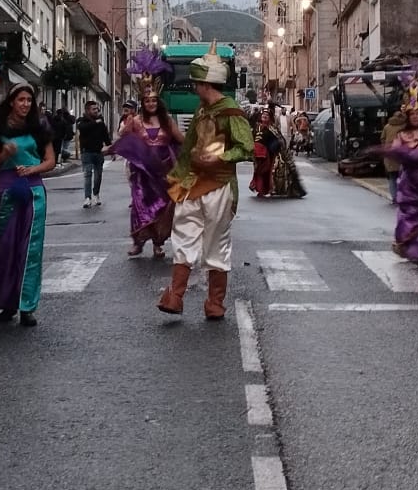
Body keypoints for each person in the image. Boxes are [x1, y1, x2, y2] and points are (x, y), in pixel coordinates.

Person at [158, 46, 255, 321]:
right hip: (193, 184)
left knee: (216, 243)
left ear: (203, 84)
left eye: (195, 83)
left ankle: (215, 303)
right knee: (183, 234)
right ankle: (175, 297)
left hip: (220, 186)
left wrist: (220, 158)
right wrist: (176, 178)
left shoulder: (231, 112)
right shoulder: (201, 112)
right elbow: (189, 148)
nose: (193, 88)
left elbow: (246, 148)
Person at [0, 84, 57, 327]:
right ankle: (7, 302)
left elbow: (50, 161)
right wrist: (5, 154)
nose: (25, 104)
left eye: (29, 100)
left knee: (30, 251)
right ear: (11, 102)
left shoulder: (39, 128)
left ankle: (27, 306)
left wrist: (32, 169)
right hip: (6, 194)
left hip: (33, 194)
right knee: (4, 249)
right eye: (21, 99)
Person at [113, 85, 180, 258]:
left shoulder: (167, 120)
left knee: (162, 207)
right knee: (140, 205)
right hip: (141, 172)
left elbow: (181, 139)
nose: (151, 104)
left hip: (163, 171)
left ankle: (158, 243)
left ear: (159, 102)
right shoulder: (135, 121)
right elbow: (124, 137)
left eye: (154, 100)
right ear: (143, 103)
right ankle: (138, 242)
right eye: (147, 101)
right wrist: (115, 142)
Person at [380, 103, 418, 267]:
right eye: (412, 114)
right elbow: (397, 153)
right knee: (410, 216)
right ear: (407, 116)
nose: (415, 116)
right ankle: (412, 250)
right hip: (410, 184)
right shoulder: (402, 135)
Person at [254, 106, 307, 199]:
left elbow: (280, 141)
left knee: (280, 169)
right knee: (261, 171)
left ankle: (281, 188)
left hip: (276, 152)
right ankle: (262, 189)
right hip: (262, 154)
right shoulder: (258, 127)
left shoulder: (272, 128)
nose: (264, 116)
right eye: (263, 115)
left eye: (267, 115)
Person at [77, 101, 111, 209]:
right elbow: (82, 128)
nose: (96, 111)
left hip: (98, 152)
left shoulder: (101, 122)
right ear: (87, 110)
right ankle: (87, 198)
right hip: (86, 152)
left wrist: (111, 149)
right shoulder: (82, 121)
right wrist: (96, 122)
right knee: (87, 175)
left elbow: (106, 136)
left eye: (97, 109)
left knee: (98, 175)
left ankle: (96, 194)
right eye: (93, 109)